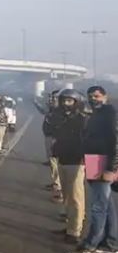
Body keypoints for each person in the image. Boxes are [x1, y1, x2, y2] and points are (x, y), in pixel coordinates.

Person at [69, 86, 118, 253]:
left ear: (105, 96)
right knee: (106, 204)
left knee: (98, 206)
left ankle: (90, 245)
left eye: (97, 96)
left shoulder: (110, 114)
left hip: (102, 161)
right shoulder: (97, 113)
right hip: (94, 159)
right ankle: (111, 243)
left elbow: (115, 142)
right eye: (90, 96)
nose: (93, 99)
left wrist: (111, 169)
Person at [49, 89, 86, 244]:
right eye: (64, 100)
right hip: (63, 159)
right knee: (67, 198)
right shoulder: (61, 117)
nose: (65, 104)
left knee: (76, 198)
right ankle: (70, 226)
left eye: (69, 101)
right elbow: (50, 131)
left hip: (76, 162)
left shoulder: (82, 119)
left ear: (76, 102)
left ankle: (75, 231)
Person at [43, 90, 64, 203]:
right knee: (52, 162)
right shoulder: (53, 110)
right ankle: (56, 183)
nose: (52, 100)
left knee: (57, 163)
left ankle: (59, 187)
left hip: (55, 139)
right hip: (50, 137)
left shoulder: (61, 112)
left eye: (55, 98)